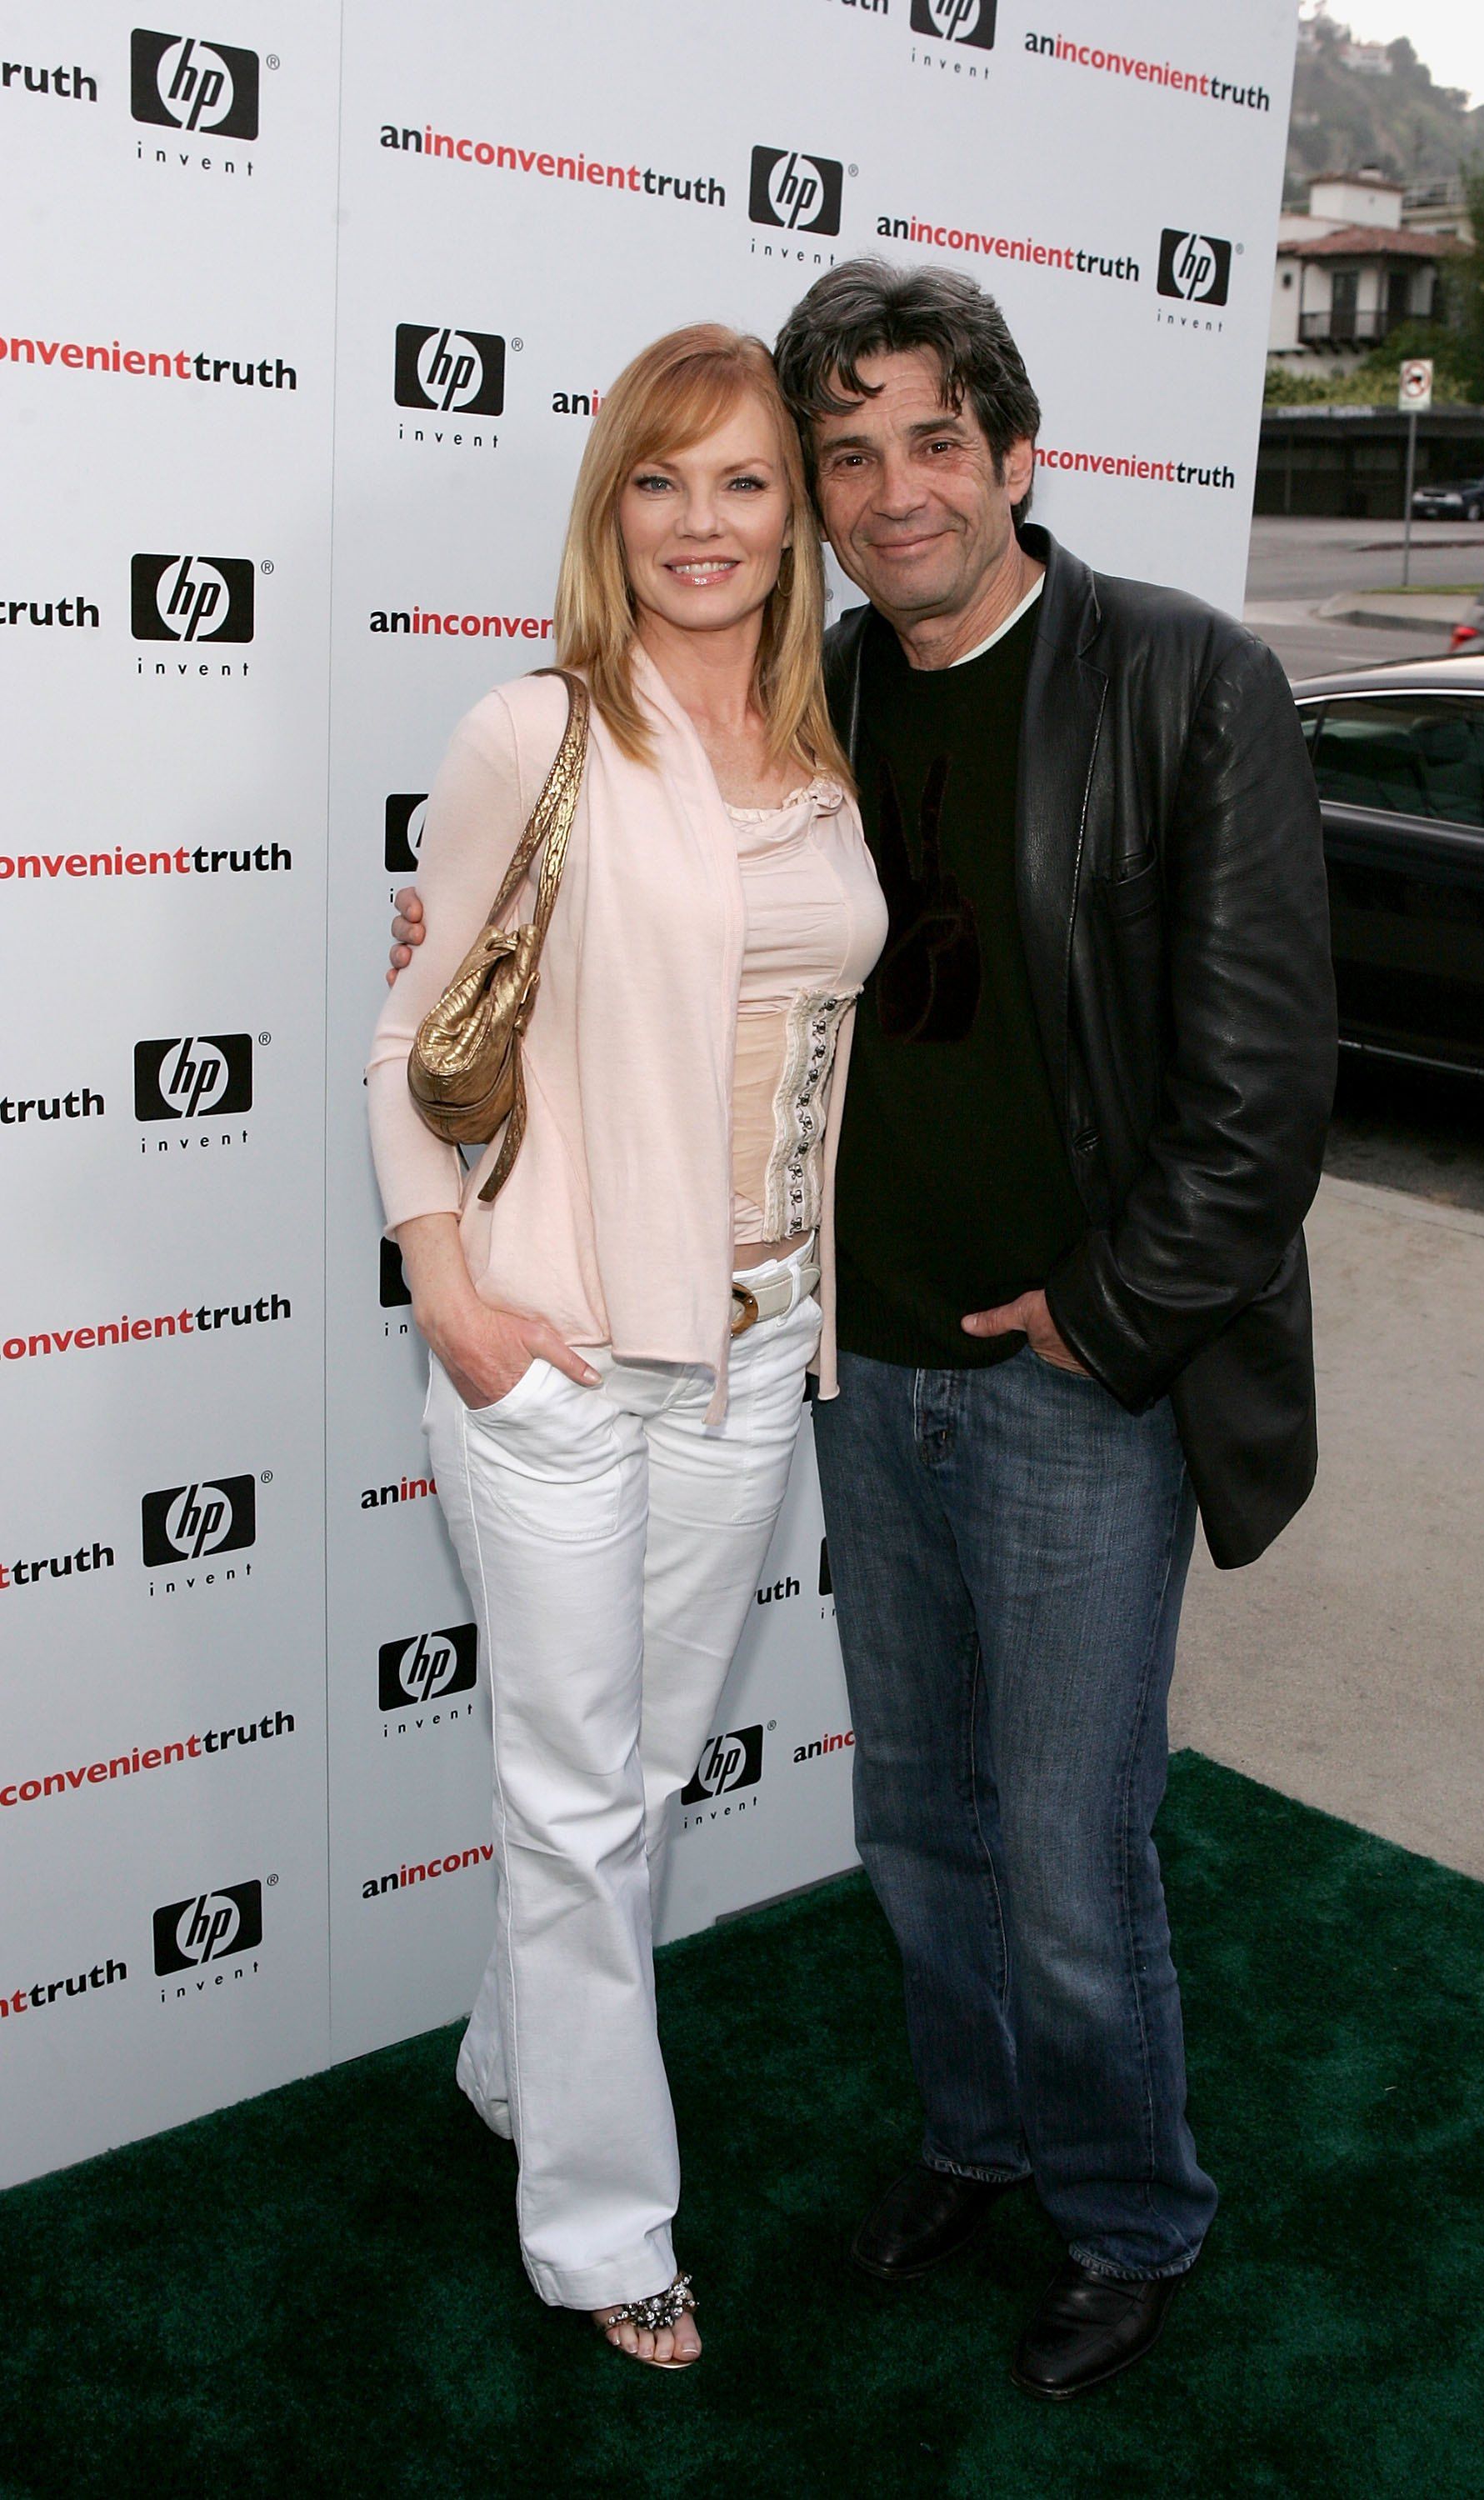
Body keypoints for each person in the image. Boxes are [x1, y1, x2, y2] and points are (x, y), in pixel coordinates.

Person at [391, 262, 1337, 2400]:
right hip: (838, 1360)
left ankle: (1122, 2217)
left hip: (1066, 1374)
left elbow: (1262, 1089)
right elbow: (527, 980)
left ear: (1016, 457)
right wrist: (448, 1136)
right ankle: (970, 2138)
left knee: (1070, 1848)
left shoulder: (1181, 681)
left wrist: (1105, 1319)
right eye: (845, 452)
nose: (886, 489)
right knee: (910, 1815)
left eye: (930, 442)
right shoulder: (784, 698)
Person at [369, 324, 886, 2370]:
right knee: (579, 1804)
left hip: (758, 1344)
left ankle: (517, 2071)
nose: (702, 523)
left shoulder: (822, 744)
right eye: (658, 482)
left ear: (795, 517)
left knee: (638, 1780)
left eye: (744, 481)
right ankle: (601, 2232)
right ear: (610, 511)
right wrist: (452, 1292)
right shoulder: (538, 733)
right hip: (564, 1349)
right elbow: (414, 1036)